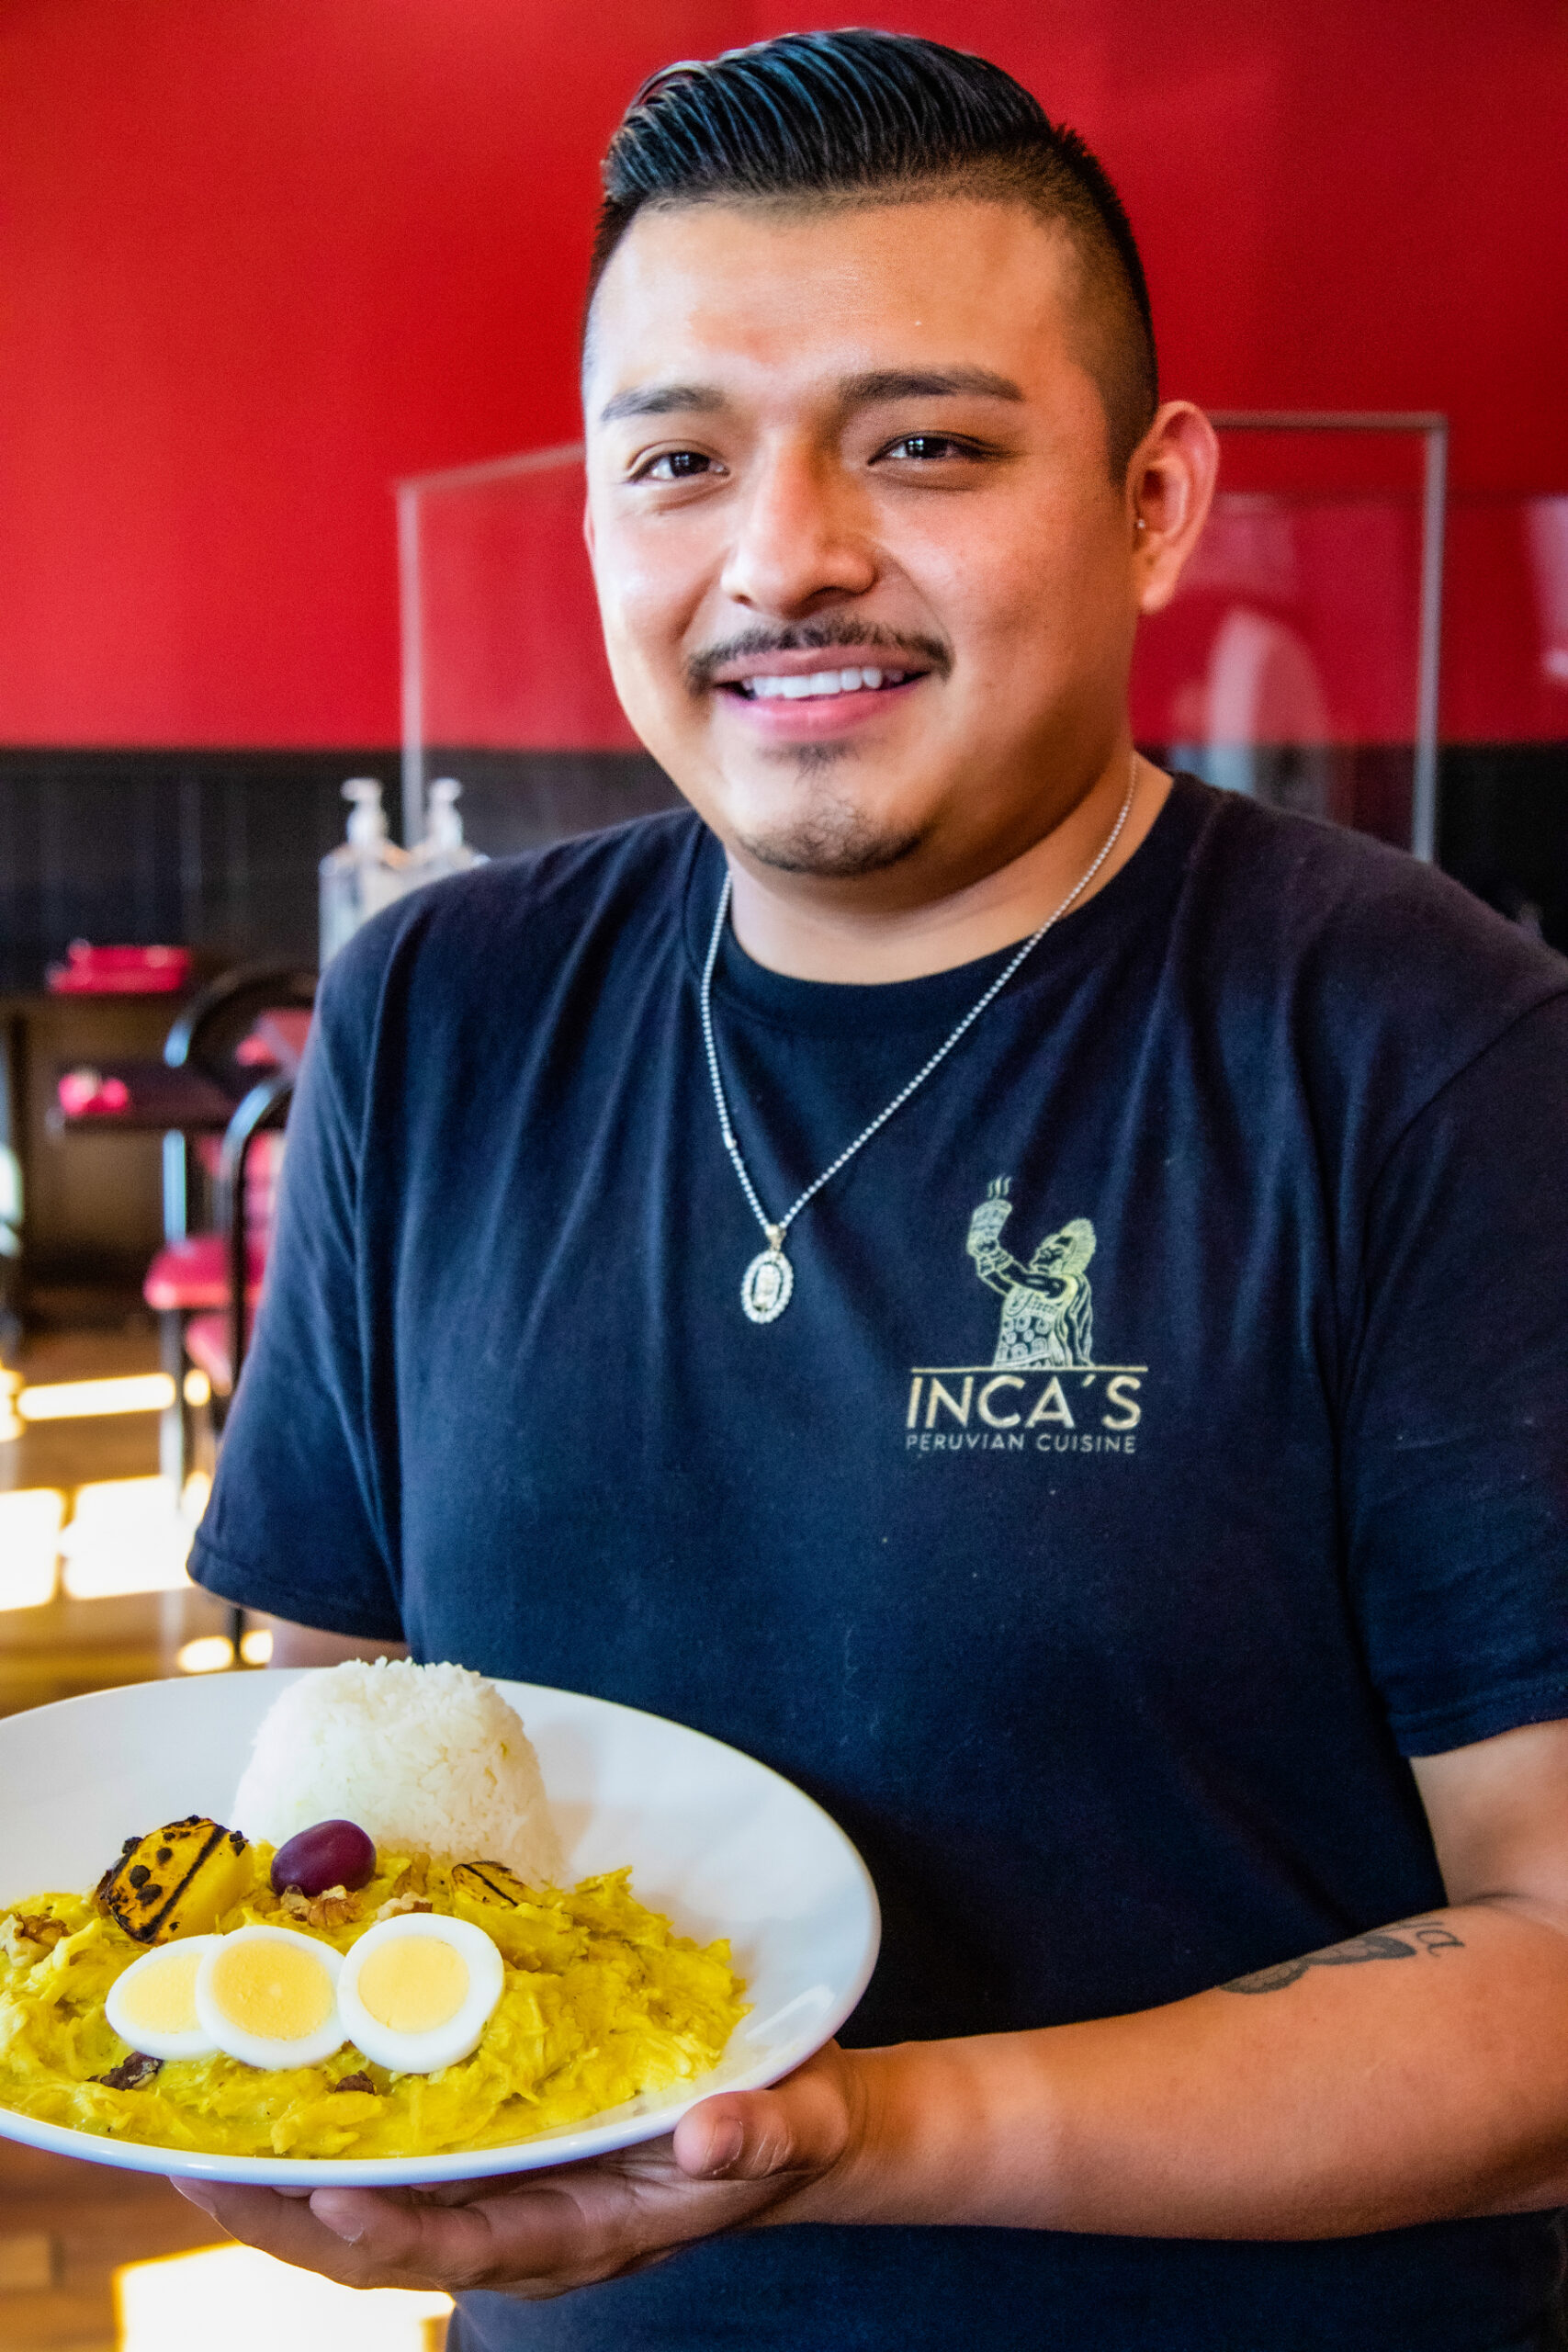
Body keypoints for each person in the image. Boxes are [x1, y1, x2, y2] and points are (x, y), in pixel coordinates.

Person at [179, 30, 1568, 2351]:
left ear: (1150, 499)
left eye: (920, 444)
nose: (785, 555)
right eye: (678, 459)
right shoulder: (441, 1012)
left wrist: (866, 2128)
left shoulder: (1425, 1046)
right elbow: (316, 1763)